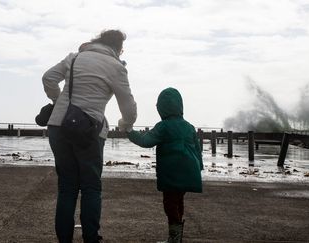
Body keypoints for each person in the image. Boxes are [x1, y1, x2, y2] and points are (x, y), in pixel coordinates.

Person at [42, 29, 137, 243]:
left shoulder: (75, 57)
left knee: (66, 187)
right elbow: (128, 108)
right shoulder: (116, 67)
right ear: (118, 48)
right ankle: (91, 238)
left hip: (59, 126)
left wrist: (58, 101)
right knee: (91, 186)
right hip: (89, 130)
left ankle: (64, 239)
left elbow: (48, 78)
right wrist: (124, 125)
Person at [127, 87, 203, 243]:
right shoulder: (189, 127)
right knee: (178, 201)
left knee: (169, 203)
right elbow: (197, 150)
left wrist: (129, 131)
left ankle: (174, 238)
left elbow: (145, 141)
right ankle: (176, 237)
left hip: (171, 173)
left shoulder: (163, 127)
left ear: (161, 107)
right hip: (189, 171)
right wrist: (199, 168)